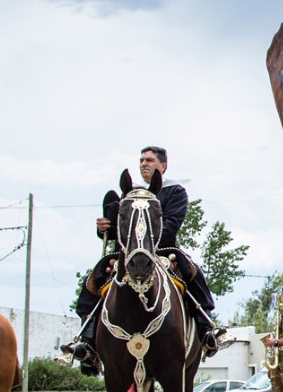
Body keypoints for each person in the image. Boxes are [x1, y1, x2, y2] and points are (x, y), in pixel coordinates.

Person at [61, 146, 224, 373]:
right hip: (127, 253)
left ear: (163, 166)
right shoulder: (129, 194)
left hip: (162, 249)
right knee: (95, 277)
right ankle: (87, 340)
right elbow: (120, 226)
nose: (143, 164)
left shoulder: (175, 191)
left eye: (149, 160)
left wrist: (145, 241)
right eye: (141, 160)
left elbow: (171, 225)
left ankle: (206, 327)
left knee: (191, 270)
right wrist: (103, 228)